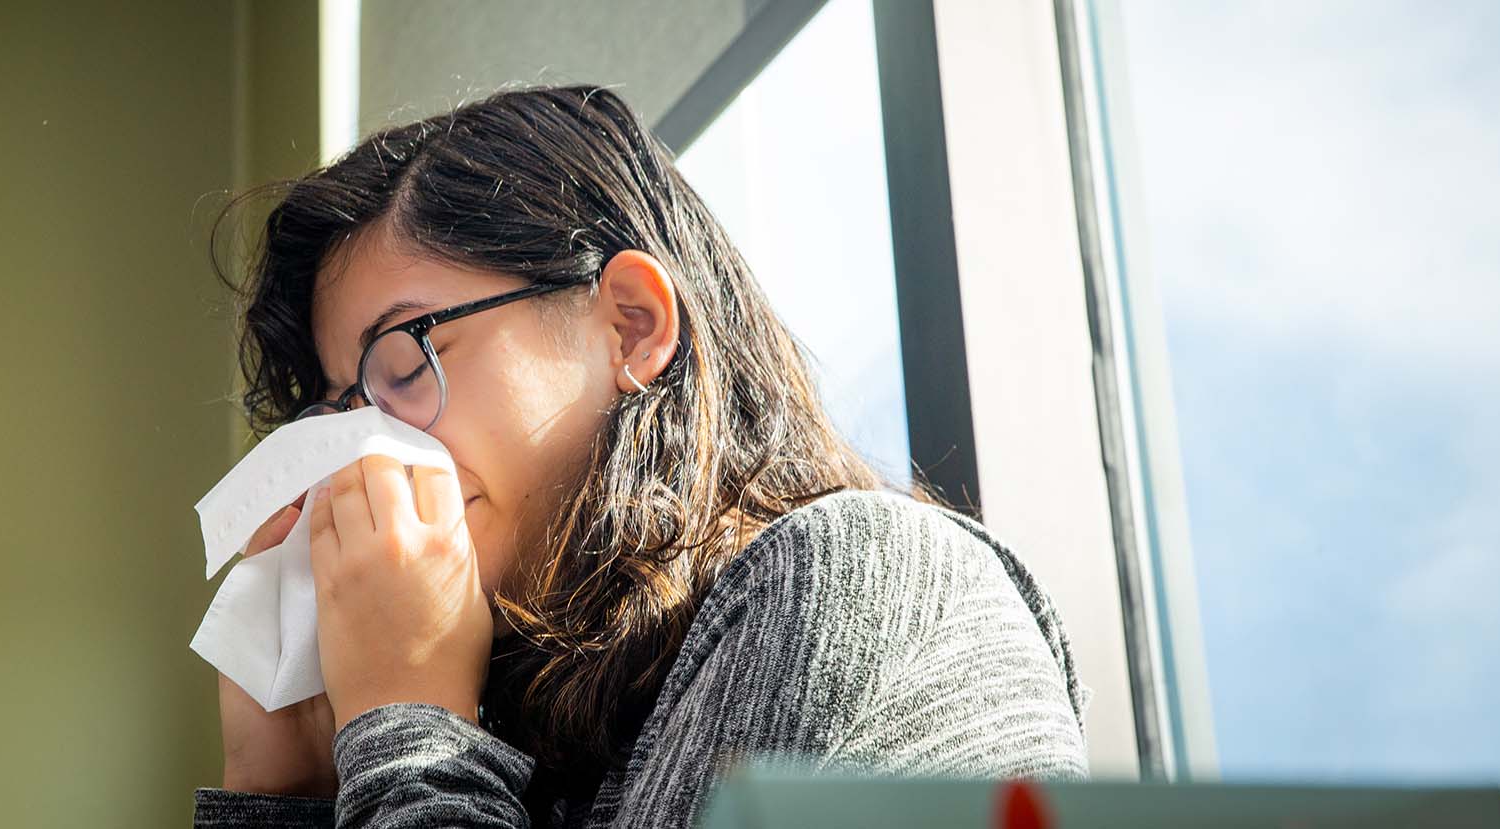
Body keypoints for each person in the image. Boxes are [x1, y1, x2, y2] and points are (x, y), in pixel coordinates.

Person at [192, 83, 1090, 828]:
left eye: (403, 361)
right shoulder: (540, 742)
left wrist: (411, 726)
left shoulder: (858, 576)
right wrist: (292, 791)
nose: (363, 450)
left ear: (631, 324)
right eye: (343, 408)